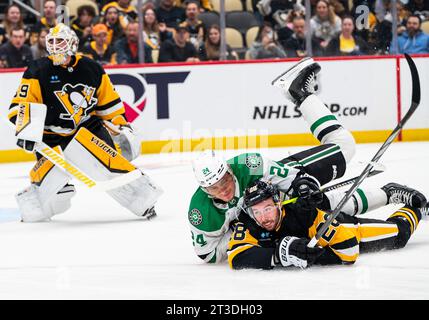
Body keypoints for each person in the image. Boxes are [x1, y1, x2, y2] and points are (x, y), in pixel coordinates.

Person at [188, 57, 360, 263]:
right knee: (326, 208)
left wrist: (304, 188)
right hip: (272, 221)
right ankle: (388, 194)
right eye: (214, 188)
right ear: (205, 191)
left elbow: (294, 178)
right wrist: (252, 231)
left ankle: (300, 93)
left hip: (278, 196)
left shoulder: (250, 165)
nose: (223, 190)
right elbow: (207, 254)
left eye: (224, 180)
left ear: (229, 171)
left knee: (343, 147)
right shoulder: (200, 211)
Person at [7, 23, 162, 222]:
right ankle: (35, 207)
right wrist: (26, 131)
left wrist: (121, 125)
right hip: (51, 136)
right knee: (55, 187)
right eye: (51, 42)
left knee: (111, 166)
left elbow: (110, 104)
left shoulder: (92, 68)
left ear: (72, 43)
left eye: (60, 41)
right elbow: (22, 104)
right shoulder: (37, 70)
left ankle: (143, 199)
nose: (55, 46)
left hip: (87, 128)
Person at [227, 179, 428, 269]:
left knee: (400, 235)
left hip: (348, 231)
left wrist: (312, 256)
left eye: (268, 208)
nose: (263, 218)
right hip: (324, 237)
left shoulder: (304, 215)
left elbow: (349, 253)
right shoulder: (249, 221)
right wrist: (282, 254)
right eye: (257, 211)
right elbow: (236, 257)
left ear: (278, 203)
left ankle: (418, 209)